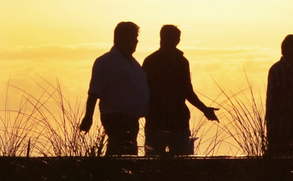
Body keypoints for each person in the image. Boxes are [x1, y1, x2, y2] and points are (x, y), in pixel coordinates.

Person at [141, 24, 218, 155]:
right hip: (157, 122)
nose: (168, 41)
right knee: (153, 162)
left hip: (178, 121)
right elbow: (145, 91)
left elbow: (187, 91)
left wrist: (205, 109)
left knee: (181, 162)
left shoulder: (181, 62)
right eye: (166, 38)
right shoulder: (151, 62)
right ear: (161, 38)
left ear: (177, 40)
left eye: (171, 38)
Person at [79, 21, 149, 155]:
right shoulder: (106, 61)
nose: (136, 41)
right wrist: (88, 116)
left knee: (129, 152)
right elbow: (94, 92)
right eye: (132, 38)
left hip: (132, 118)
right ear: (119, 38)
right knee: (120, 150)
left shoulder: (134, 64)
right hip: (115, 117)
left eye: (136, 38)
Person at [266, 34, 293, 156]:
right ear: (291, 49)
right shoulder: (278, 70)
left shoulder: (289, 71)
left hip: (292, 130)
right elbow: (280, 104)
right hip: (283, 132)